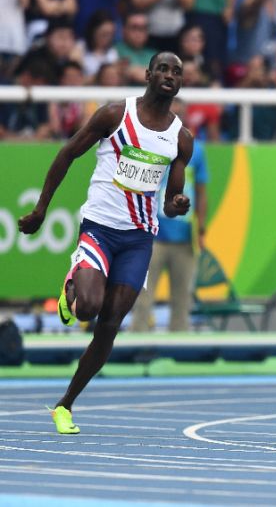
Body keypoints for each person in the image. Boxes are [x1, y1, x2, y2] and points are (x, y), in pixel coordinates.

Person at [17, 52, 193, 434]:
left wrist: (177, 204)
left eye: (177, 72)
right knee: (87, 309)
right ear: (147, 74)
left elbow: (170, 202)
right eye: (163, 68)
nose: (169, 75)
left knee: (110, 322)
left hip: (139, 239)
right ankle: (73, 283)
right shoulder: (115, 115)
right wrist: (41, 209)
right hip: (100, 227)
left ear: (181, 83)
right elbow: (67, 154)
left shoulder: (181, 138)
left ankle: (65, 404)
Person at [131, 98, 207, 332]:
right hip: (151, 235)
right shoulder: (148, 144)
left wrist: (201, 227)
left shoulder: (197, 150)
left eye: (179, 114)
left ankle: (181, 351)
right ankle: (138, 343)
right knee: (142, 296)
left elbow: (201, 192)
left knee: (182, 300)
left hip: (184, 237)